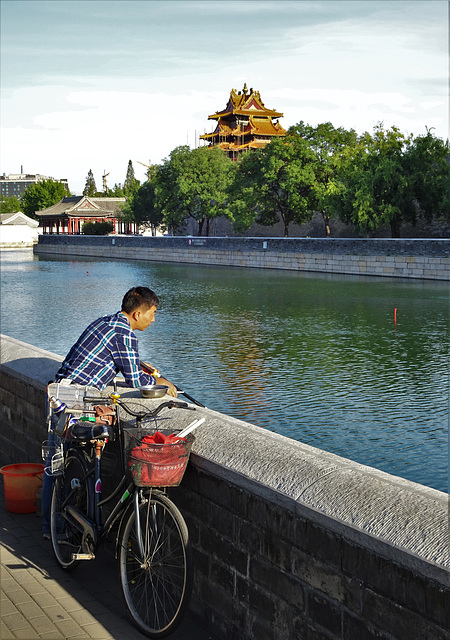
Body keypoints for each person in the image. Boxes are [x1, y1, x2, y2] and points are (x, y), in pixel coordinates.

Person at [42, 286, 176, 539]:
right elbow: (136, 381)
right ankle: (57, 531)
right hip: (73, 400)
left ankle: (52, 530)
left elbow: (129, 363)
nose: (154, 319)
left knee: (56, 465)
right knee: (59, 466)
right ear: (138, 314)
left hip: (59, 394)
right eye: (153, 312)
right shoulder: (124, 333)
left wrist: (147, 372)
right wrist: (165, 385)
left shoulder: (108, 322)